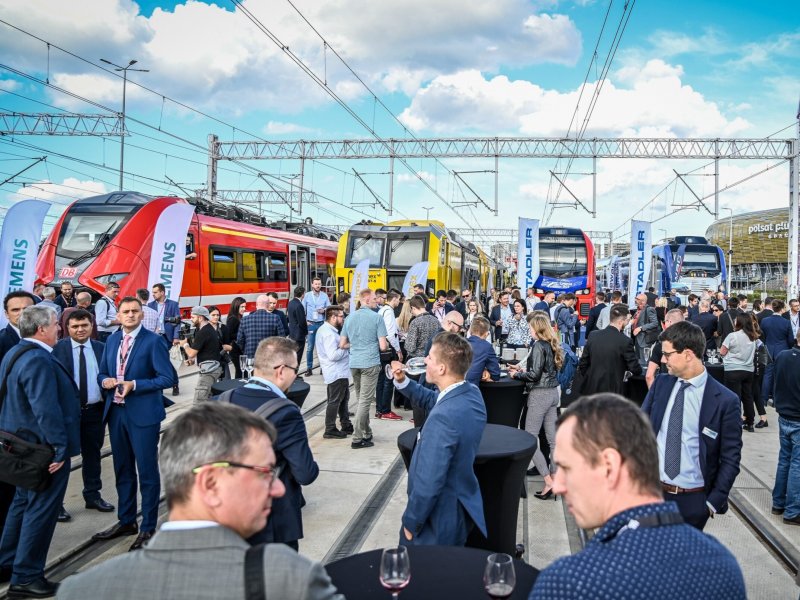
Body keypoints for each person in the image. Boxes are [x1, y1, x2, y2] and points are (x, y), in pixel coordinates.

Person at [57, 403, 343, 600]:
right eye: (266, 473)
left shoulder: (80, 590)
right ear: (210, 483)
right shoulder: (289, 578)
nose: (279, 488)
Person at [528, 394, 745, 600]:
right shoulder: (724, 565)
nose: (558, 486)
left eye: (567, 468)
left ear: (609, 466)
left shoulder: (568, 584)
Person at [0, 306, 80, 598]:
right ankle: (26, 577)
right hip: (41, 451)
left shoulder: (15, 353)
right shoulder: (38, 359)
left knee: (20, 506)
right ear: (41, 329)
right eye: (55, 325)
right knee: (40, 511)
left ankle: (6, 563)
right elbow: (45, 409)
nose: (59, 329)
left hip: (19, 446)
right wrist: (59, 450)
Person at [93, 297, 177, 551]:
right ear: (117, 316)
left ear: (142, 315)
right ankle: (126, 520)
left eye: (134, 311)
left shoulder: (153, 341)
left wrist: (136, 385)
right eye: (125, 311)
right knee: (123, 469)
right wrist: (105, 380)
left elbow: (167, 377)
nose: (130, 315)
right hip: (117, 413)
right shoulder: (112, 340)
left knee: (147, 472)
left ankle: (148, 526)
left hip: (143, 416)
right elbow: (102, 372)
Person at [388, 333, 487, 546]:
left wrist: (411, 523)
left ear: (442, 368)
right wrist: (403, 381)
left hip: (437, 520)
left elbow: (429, 480)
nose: (425, 360)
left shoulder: (443, 419)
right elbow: (433, 399)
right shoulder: (470, 393)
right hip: (460, 507)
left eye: (430, 357)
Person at [642, 320, 742, 530]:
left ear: (688, 354)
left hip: (692, 502)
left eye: (667, 354)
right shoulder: (661, 384)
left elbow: (731, 457)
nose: (662, 359)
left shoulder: (725, 400)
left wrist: (711, 504)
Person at [224, 337, 319, 550]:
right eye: (296, 370)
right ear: (282, 370)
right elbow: (306, 473)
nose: (296, 376)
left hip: (226, 517)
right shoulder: (286, 412)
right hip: (270, 522)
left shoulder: (220, 400)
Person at [52, 309, 115, 523]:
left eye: (84, 325)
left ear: (91, 326)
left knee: (93, 455)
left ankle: (92, 495)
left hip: (94, 412)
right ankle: (57, 503)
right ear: (67, 328)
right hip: (66, 415)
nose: (80, 330)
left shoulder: (101, 349)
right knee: (62, 458)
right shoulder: (56, 350)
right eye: (75, 326)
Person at [509, 312, 562, 496]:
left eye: (531, 327)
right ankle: (555, 479)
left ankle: (548, 481)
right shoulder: (551, 344)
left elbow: (535, 375)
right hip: (553, 393)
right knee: (553, 441)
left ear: (537, 329)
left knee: (530, 438)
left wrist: (517, 374)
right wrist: (525, 370)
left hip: (539, 395)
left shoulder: (539, 345)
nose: (529, 330)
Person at [0, 291, 36, 531]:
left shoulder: (46, 340)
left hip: (34, 433)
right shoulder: (2, 342)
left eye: (28, 309)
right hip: (9, 431)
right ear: (6, 314)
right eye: (16, 310)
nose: (23, 314)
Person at [339, 288, 388, 449]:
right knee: (365, 402)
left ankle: (367, 432)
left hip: (354, 362)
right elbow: (382, 346)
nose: (377, 301)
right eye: (375, 299)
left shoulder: (349, 318)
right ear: (366, 300)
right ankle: (357, 437)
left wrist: (357, 344)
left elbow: (342, 344)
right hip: (370, 363)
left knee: (361, 400)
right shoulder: (377, 318)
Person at [577, 304, 641, 396]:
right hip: (613, 391)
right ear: (621, 321)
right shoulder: (625, 341)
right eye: (627, 320)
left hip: (591, 388)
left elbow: (583, 363)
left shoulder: (593, 335)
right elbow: (634, 368)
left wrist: (590, 378)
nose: (628, 323)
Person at [771, 332, 800, 525]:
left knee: (784, 460)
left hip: (784, 415)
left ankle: (778, 503)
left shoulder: (782, 356)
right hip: (798, 417)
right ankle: (793, 510)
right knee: (797, 464)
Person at [315, 306, 353, 438]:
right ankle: (330, 428)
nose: (343, 319)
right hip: (336, 372)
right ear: (333, 317)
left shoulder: (329, 330)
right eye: (341, 316)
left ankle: (346, 424)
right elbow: (333, 355)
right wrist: (347, 347)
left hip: (338, 372)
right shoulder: (328, 333)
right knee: (335, 400)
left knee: (342, 399)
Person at [719, 313, 758, 432]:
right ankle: (750, 422)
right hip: (748, 369)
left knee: (734, 397)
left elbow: (722, 351)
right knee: (747, 396)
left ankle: (735, 420)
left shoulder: (732, 336)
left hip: (733, 369)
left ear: (739, 322)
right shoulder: (753, 337)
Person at [147, 283, 182, 396]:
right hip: (155, 337)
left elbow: (177, 322)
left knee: (168, 361)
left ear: (162, 292)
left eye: (155, 292)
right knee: (156, 362)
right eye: (152, 292)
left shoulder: (173, 304)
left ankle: (175, 384)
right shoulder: (150, 305)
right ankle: (159, 387)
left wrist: (176, 336)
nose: (153, 294)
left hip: (167, 337)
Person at [760, 299, 795, 406]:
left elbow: (762, 336)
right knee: (779, 376)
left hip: (768, 349)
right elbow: (790, 339)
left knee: (767, 374)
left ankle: (764, 399)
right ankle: (776, 400)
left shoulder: (765, 321)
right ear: (782, 309)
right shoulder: (786, 322)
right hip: (782, 350)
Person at [376, 291, 403, 420]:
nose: (399, 302)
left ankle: (379, 409)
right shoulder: (389, 312)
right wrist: (398, 350)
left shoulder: (381, 310)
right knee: (388, 379)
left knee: (381, 379)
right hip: (388, 349)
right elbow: (391, 334)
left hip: (381, 349)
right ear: (394, 299)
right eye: (398, 300)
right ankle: (386, 410)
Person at [237, 294, 287, 359]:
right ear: (268, 304)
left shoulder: (245, 319)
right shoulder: (275, 318)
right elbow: (282, 340)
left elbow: (240, 341)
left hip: (250, 358)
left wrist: (246, 351)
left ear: (256, 304)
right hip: (269, 358)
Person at [646, 309, 685, 388]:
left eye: (665, 321)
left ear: (669, 322)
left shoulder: (661, 345)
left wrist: (654, 395)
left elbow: (649, 376)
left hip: (666, 388)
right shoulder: (691, 343)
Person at [302, 277, 330, 376]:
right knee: (310, 347)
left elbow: (329, 307)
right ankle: (309, 368)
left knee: (323, 347)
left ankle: (323, 367)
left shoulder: (324, 296)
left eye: (319, 284)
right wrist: (305, 321)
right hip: (311, 324)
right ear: (312, 285)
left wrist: (324, 310)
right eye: (316, 284)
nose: (318, 285)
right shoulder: (307, 296)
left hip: (321, 323)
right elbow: (302, 309)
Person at [465, 316, 500, 386]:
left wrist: (483, 369)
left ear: (470, 331)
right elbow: (495, 374)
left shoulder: (459, 342)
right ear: (487, 333)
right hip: (470, 389)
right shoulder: (486, 346)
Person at [632, 293, 660, 362]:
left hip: (645, 339)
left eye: (637, 299)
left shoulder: (649, 309)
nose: (635, 300)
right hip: (637, 339)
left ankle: (645, 372)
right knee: (639, 360)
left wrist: (641, 328)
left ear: (643, 301)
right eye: (636, 298)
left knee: (644, 361)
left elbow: (655, 323)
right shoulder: (637, 310)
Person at [207, 305, 233, 379]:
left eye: (217, 315)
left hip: (222, 359)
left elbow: (228, 343)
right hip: (208, 361)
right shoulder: (203, 329)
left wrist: (228, 347)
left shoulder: (223, 328)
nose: (216, 317)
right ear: (207, 316)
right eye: (213, 315)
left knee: (225, 384)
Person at [287, 286, 309, 367]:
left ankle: (292, 372)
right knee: (298, 356)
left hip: (292, 334)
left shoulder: (291, 303)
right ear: (302, 294)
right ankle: (295, 373)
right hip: (299, 335)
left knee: (293, 354)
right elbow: (302, 322)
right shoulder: (299, 305)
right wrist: (306, 332)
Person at [226, 297, 247, 379]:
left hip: (238, 349)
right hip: (235, 350)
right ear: (236, 306)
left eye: (245, 307)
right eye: (242, 307)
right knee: (240, 370)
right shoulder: (233, 319)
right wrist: (242, 334)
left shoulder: (238, 317)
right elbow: (229, 335)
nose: (244, 309)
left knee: (242, 370)